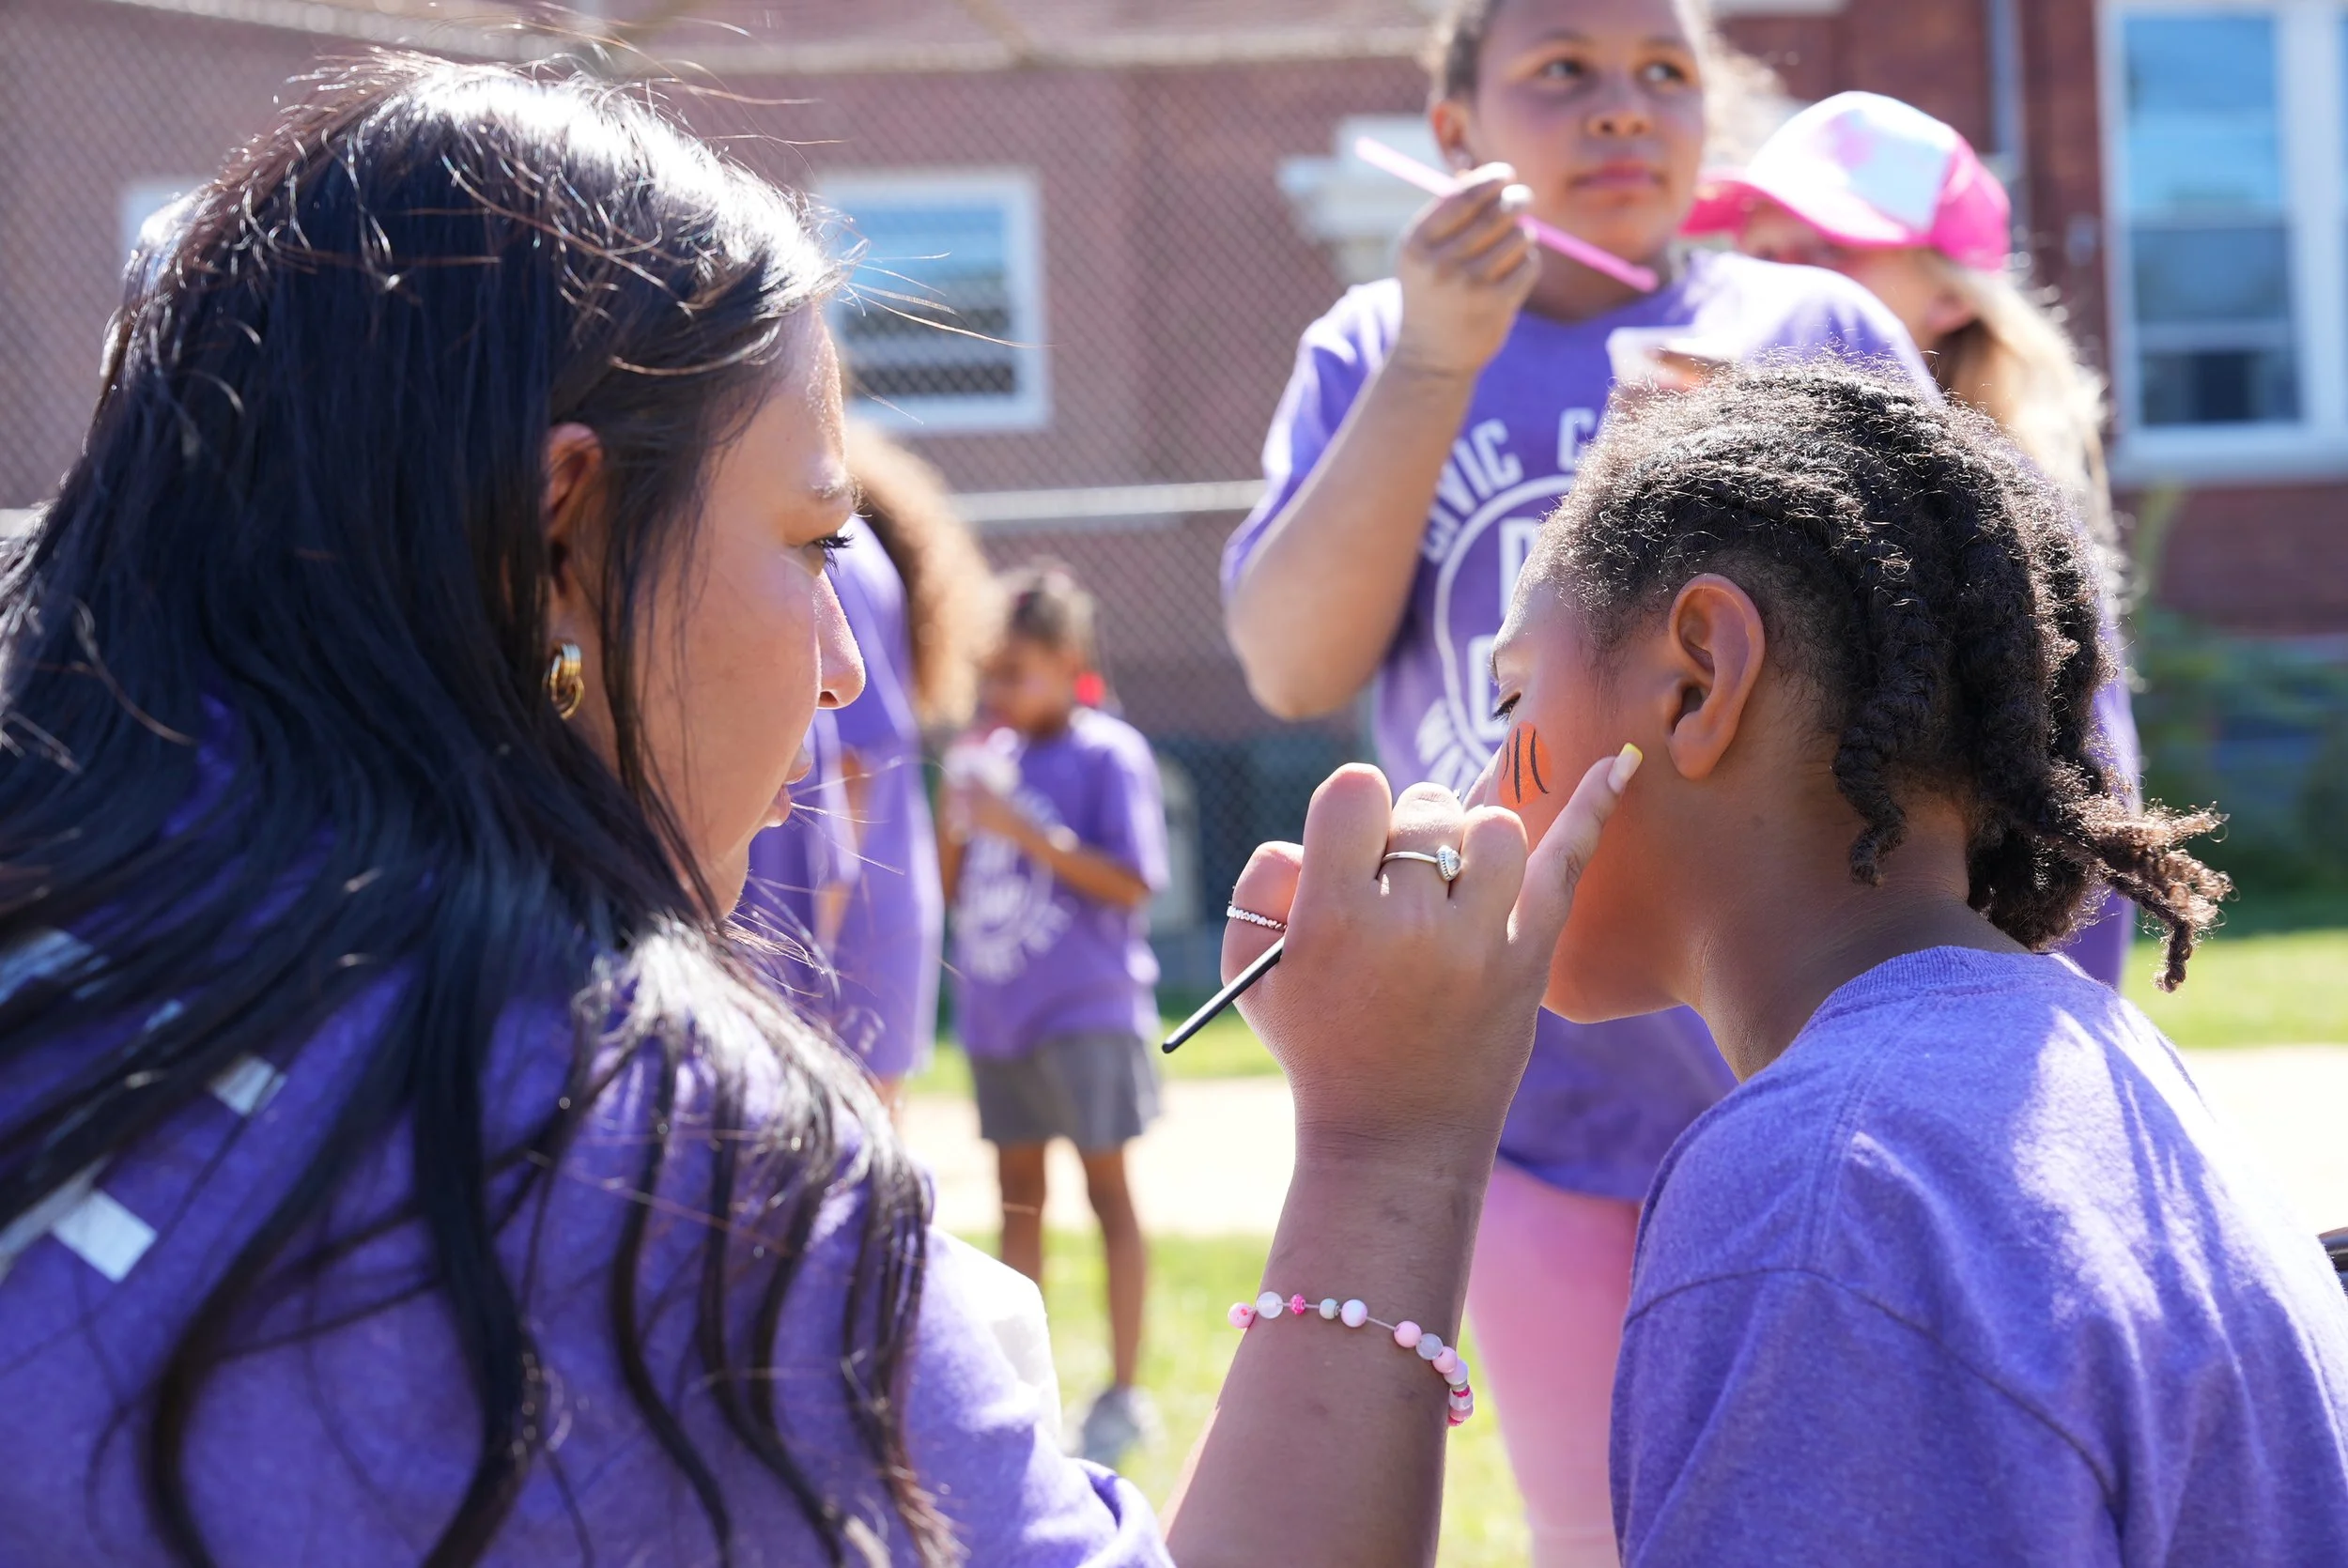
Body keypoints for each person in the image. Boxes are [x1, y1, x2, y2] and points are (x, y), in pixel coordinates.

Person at [0, 56, 1641, 1566]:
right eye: (809, 548)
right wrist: (1387, 1144)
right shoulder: (667, 1182)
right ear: (558, 541)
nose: (850, 671)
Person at [1221, 0, 1928, 1556]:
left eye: (1663, 73)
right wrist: (1435, 358)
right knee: (1598, 1522)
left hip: (1789, 1054)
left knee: (1840, 1502)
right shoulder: (1374, 344)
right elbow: (1289, 658)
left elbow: (1935, 647)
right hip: (1520, 1081)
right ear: (1453, 133)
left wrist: (1728, 472)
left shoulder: (1810, 325)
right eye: (1562, 73)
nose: (1622, 108)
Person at [1457, 359, 2348, 1562]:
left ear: (1695, 679)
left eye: (1510, 700)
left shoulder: (1822, 1190)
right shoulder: (2083, 1059)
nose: (1478, 785)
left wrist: (1378, 1134)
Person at [1686, 88, 2142, 987]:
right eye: (1763, 254)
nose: (1786, 289)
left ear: (1951, 294)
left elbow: (2080, 797)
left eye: (1828, 252)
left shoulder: (2002, 534)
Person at [939, 564, 1166, 1469]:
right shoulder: (991, 760)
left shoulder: (1108, 754)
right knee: (1017, 1204)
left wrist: (1021, 828)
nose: (997, 692)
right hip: (1001, 1019)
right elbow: (955, 889)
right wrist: (957, 821)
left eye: (1015, 673)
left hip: (1087, 1013)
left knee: (1108, 1195)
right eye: (988, 675)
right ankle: (1019, 1390)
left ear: (1068, 663)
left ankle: (1123, 1392)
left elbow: (1134, 880)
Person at [737, 426, 992, 1106]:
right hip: (877, 902)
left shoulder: (820, 547)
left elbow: (850, 766)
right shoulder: (850, 540)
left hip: (831, 918)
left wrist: (815, 945)